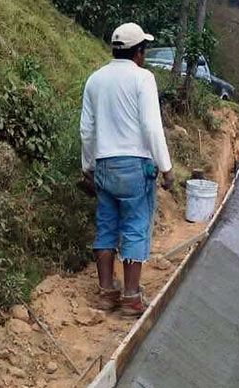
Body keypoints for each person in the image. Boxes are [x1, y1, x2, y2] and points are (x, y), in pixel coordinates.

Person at [80, 23, 175, 316]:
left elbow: (86, 130)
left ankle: (107, 292)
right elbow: (151, 126)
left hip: (104, 164)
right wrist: (166, 167)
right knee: (135, 227)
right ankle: (131, 297)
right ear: (139, 52)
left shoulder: (95, 80)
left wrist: (88, 166)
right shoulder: (143, 78)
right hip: (135, 166)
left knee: (107, 226)